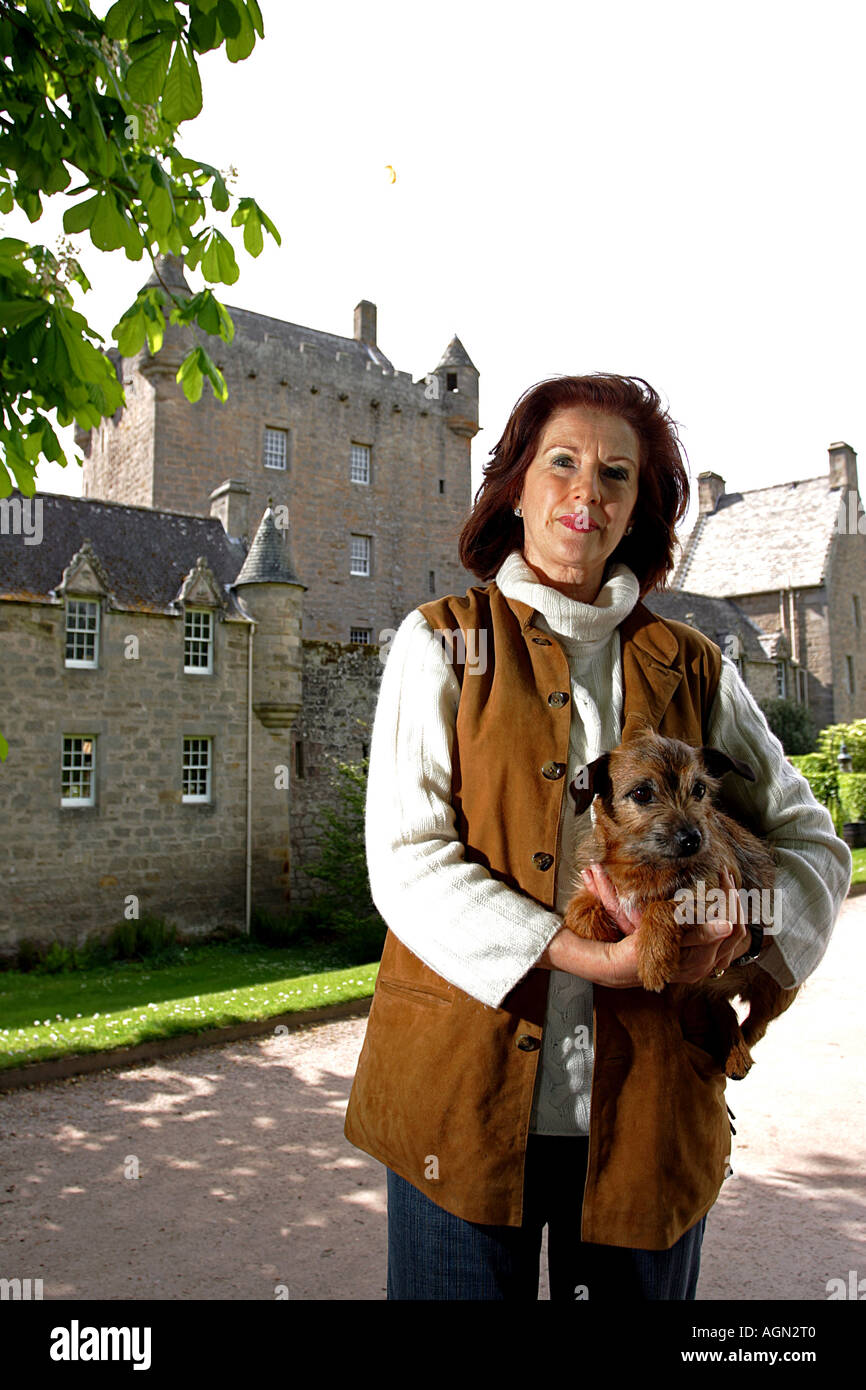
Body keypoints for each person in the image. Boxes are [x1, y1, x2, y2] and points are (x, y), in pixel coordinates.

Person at [343, 373, 851, 1302]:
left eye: (617, 474)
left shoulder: (694, 661)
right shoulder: (445, 641)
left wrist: (746, 934)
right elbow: (408, 858)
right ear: (517, 486)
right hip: (455, 1101)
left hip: (652, 1111)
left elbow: (812, 839)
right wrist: (581, 954)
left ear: (636, 510)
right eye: (563, 462)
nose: (589, 491)